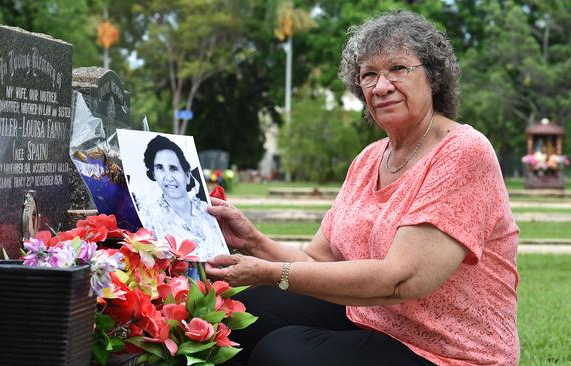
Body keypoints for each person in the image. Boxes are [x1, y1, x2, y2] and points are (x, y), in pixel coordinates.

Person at [205, 10, 519, 366]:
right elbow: (317, 262)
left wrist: (269, 273)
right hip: (372, 319)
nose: (381, 86)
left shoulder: (463, 152)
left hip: (448, 352)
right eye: (369, 74)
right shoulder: (370, 158)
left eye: (398, 69)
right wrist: (253, 242)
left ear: (432, 78)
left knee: (281, 354)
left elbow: (401, 280)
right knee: (241, 315)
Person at [138, 134, 228, 261]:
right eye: (160, 168)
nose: (168, 177)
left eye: (173, 168)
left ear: (187, 175)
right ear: (154, 174)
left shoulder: (206, 210)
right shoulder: (148, 217)